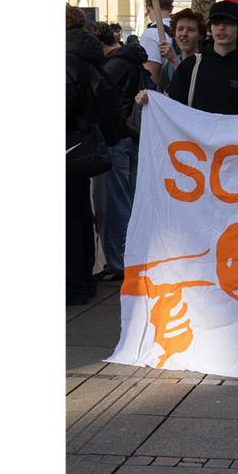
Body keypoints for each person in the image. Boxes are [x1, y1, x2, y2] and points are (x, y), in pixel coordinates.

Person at [144, 1, 238, 115]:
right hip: (196, 141)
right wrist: (148, 100)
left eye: (228, 23)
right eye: (216, 23)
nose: (221, 28)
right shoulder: (191, 66)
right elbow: (172, 109)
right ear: (210, 27)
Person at [92, 23, 149, 282]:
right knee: (127, 201)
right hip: (131, 138)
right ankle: (127, 260)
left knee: (115, 205)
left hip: (117, 139)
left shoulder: (112, 67)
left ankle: (120, 263)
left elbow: (106, 105)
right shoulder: (130, 61)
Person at [65, 22, 107, 305]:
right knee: (79, 215)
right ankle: (83, 278)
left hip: (69, 146)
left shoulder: (66, 64)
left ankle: (74, 283)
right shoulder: (90, 63)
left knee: (70, 219)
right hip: (83, 149)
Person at [158, 8, 206, 93]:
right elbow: (161, 95)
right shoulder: (169, 66)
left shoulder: (207, 63)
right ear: (174, 34)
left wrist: (175, 61)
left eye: (191, 30)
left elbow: (196, 89)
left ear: (200, 35)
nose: (184, 34)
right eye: (180, 29)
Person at [140, 0, 174, 86]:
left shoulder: (150, 34)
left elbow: (151, 77)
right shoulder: (182, 30)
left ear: (147, 8)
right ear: (171, 8)